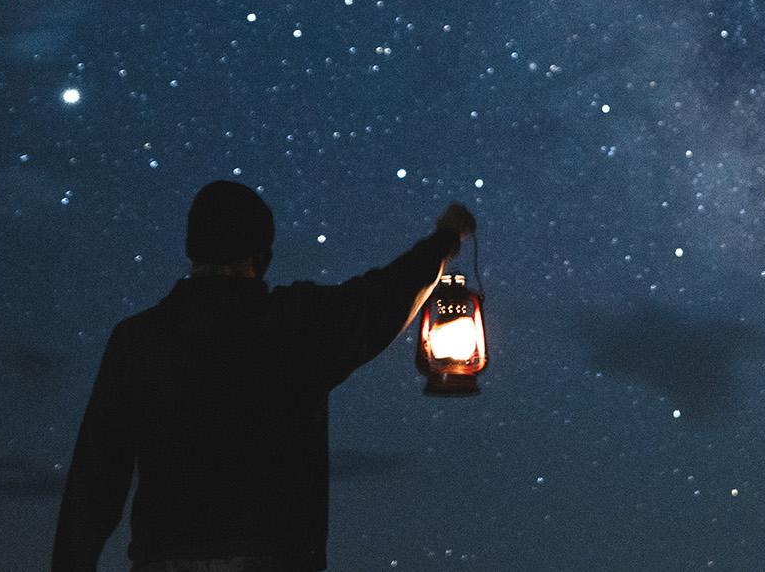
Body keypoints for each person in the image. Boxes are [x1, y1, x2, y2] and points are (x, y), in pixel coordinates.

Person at [52, 180, 475, 572]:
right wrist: (446, 238)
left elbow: (95, 478)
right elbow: (388, 292)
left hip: (165, 559)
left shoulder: (139, 340)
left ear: (191, 249)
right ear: (263, 257)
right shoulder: (298, 323)